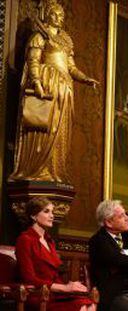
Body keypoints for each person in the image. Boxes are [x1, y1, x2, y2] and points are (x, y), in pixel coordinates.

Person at [8, 2, 98, 184]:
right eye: (55, 14)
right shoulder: (39, 36)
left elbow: (71, 67)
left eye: (61, 15)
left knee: (60, 130)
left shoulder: (65, 40)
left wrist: (85, 78)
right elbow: (33, 60)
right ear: (48, 15)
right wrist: (36, 82)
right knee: (45, 127)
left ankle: (53, 169)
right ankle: (38, 169)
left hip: (65, 90)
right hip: (48, 84)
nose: (60, 18)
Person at [15, 197, 95, 311]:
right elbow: (29, 278)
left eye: (52, 212)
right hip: (38, 294)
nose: (52, 216)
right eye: (46, 211)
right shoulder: (25, 239)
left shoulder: (49, 240)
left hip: (56, 292)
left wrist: (72, 285)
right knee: (81, 307)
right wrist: (64, 288)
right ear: (33, 216)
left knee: (90, 305)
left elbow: (56, 271)